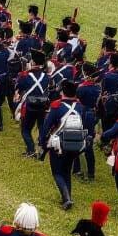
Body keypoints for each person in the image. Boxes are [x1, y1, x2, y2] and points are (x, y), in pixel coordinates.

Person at [42, 79, 87, 210]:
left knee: (57, 172)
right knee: (67, 171)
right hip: (76, 143)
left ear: (62, 91)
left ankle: (66, 198)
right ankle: (68, 197)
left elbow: (47, 125)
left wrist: (42, 141)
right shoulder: (80, 106)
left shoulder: (57, 105)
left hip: (59, 143)